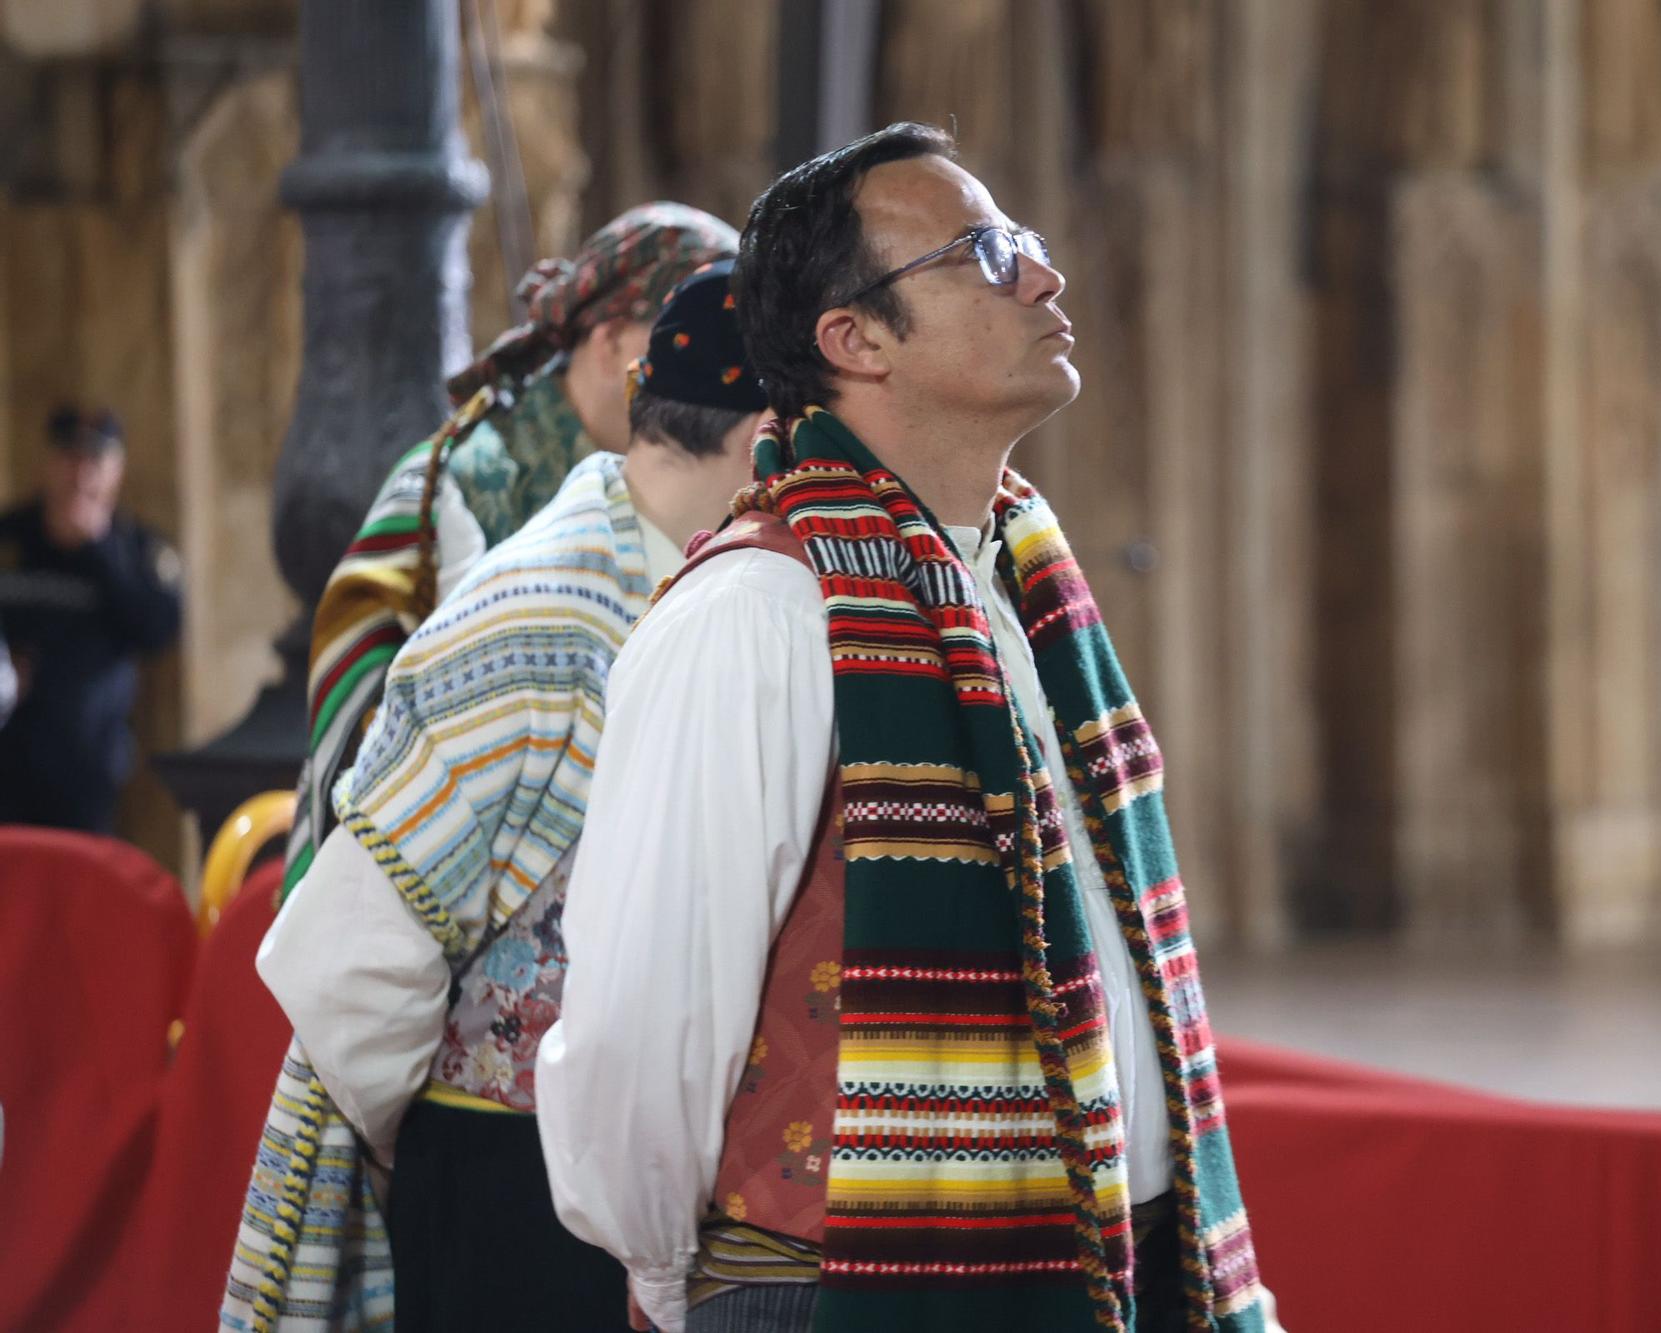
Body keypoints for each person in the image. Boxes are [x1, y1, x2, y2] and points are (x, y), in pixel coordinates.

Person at [539, 123, 1270, 1333]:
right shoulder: (757, 614)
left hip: (1098, 1276)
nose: (1043, 274)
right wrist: (682, 1294)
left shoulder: (1022, 588)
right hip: (841, 1295)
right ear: (854, 339)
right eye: (983, 254)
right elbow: (637, 1034)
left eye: (1024, 242)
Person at [222, 263, 768, 1329]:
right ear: (766, 443)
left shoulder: (688, 582)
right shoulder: (542, 615)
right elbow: (348, 965)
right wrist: (454, 1142)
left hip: (619, 1177)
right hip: (508, 1180)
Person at [283, 201, 739, 898]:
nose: (716, 369)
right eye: (684, 337)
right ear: (612, 339)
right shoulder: (474, 479)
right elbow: (465, 711)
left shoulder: (699, 477)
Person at [0, 408, 180, 833]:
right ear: (49, 463)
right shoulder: (10, 538)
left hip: (89, 771)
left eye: (95, 462)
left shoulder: (136, 550)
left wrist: (99, 553)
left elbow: (160, 629)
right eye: (69, 459)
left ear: (116, 471)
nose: (80, 476)